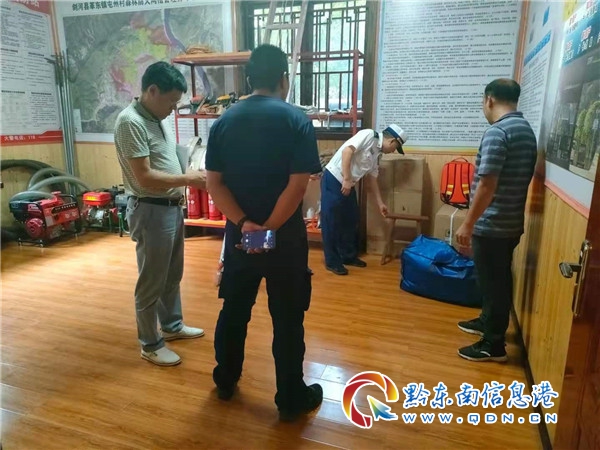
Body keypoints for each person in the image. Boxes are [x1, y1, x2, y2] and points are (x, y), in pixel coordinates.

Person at [205, 44, 324, 421]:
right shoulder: (296, 120)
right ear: (284, 79)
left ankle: (225, 380)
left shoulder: (224, 121)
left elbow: (214, 184)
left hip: (240, 237)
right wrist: (268, 230)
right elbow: (297, 186)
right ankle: (290, 397)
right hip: (284, 238)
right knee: (287, 317)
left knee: (235, 309)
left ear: (248, 79)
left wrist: (247, 225)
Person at [114, 61, 206, 367]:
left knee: (172, 274)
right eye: (170, 102)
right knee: (151, 280)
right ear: (152, 90)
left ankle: (172, 325)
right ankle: (150, 344)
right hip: (150, 210)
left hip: (169, 207)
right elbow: (144, 177)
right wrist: (188, 179)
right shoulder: (131, 122)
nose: (172, 109)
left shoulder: (156, 117)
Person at [455, 78, 537, 362]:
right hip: (510, 221)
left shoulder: (498, 132)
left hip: (492, 224)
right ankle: (488, 321)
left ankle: (493, 343)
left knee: (493, 282)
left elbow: (487, 184)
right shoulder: (524, 129)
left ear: (489, 99)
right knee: (496, 278)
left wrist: (468, 223)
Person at [320, 124, 408, 275]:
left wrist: (380, 203)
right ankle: (332, 261)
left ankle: (348, 256)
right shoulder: (369, 135)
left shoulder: (377, 154)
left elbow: (372, 179)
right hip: (335, 178)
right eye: (395, 147)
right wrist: (347, 178)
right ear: (392, 141)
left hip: (348, 183)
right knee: (332, 221)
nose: (393, 151)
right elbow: (347, 151)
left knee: (351, 218)